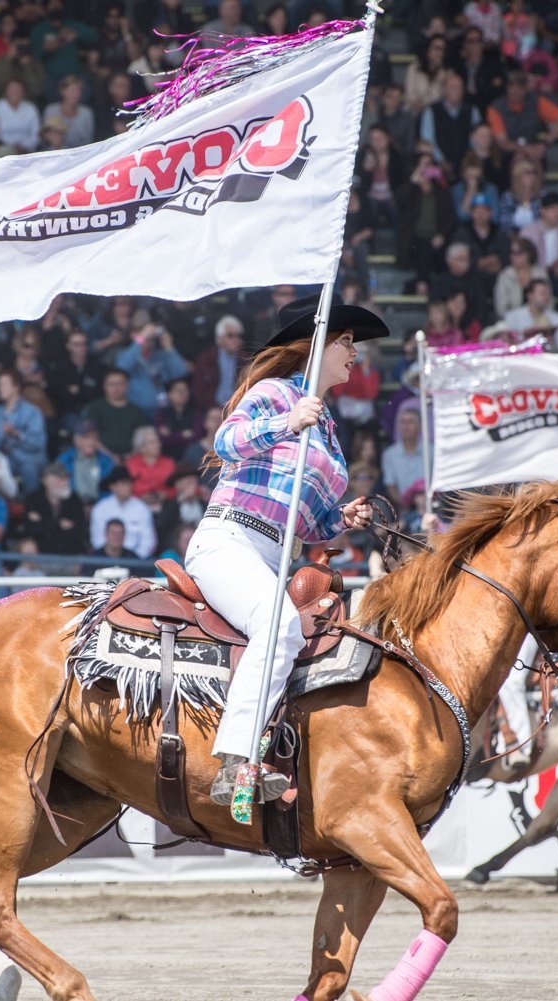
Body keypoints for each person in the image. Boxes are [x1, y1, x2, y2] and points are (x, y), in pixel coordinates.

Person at [185, 295, 386, 806]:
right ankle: (235, 764)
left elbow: (312, 522)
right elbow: (227, 440)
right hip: (230, 538)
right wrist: (286, 422)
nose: (354, 352)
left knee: (286, 630)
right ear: (314, 347)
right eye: (345, 341)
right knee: (279, 627)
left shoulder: (329, 429)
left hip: (273, 552)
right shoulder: (277, 393)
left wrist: (342, 518)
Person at [88, 466, 157, 558]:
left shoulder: (142, 509)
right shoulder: (100, 509)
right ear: (113, 487)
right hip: (106, 561)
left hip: (136, 563)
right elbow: (98, 541)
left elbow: (148, 542)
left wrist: (134, 560)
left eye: (130, 483)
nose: (129, 486)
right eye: (124, 483)